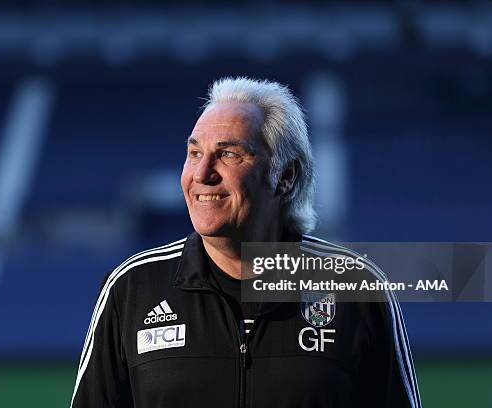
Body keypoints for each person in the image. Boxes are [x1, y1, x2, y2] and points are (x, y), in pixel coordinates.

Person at [70, 77, 421, 407]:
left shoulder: (357, 289)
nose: (202, 174)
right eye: (194, 154)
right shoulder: (132, 289)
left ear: (285, 177)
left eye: (229, 154)